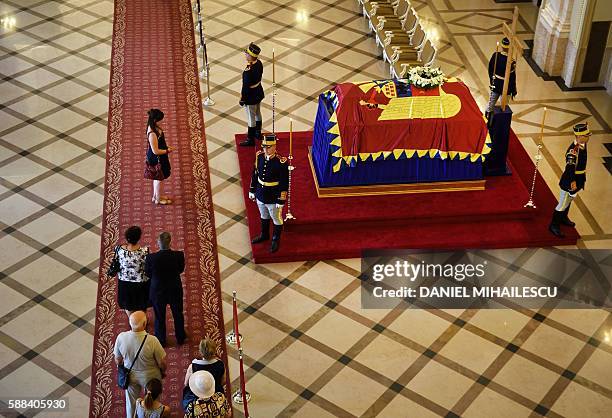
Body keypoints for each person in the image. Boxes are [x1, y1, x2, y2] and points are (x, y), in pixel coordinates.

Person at [114, 311, 167, 418]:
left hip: (130, 375)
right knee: (153, 399)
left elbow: (118, 360)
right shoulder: (152, 340)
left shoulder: (121, 337)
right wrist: (163, 370)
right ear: (144, 324)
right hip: (151, 376)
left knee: (131, 403)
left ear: (130, 323)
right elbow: (161, 362)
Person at [145, 231, 187, 346]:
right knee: (178, 314)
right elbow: (180, 269)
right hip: (174, 289)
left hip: (158, 291)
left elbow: (148, 273)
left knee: (159, 316)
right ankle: (180, 337)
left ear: (158, 243)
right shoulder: (179, 255)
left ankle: (161, 340)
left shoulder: (151, 258)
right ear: (170, 242)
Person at [248, 133, 289, 253]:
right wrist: (252, 189)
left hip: (273, 196)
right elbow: (255, 174)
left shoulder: (280, 162)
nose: (265, 149)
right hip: (261, 194)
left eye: (268, 147)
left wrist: (281, 199)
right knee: (263, 215)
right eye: (264, 147)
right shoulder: (259, 156)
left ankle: (276, 239)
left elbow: (284, 183)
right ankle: (264, 234)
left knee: (276, 218)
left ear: (274, 146)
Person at [549, 123, 590, 238]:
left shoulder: (582, 144)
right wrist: (572, 182)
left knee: (570, 200)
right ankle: (554, 225)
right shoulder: (573, 151)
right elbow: (569, 169)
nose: (588, 137)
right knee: (562, 204)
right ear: (579, 136)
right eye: (586, 135)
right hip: (570, 181)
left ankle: (563, 218)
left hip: (578, 179)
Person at [182, 338, 226, 411]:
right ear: (215, 351)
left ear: (200, 352)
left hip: (197, 396)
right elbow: (223, 381)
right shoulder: (220, 364)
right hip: (215, 393)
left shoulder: (193, 366)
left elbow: (186, 384)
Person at [117, 226, 150, 317]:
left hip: (124, 282)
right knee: (142, 304)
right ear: (139, 238)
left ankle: (132, 321)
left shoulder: (119, 249)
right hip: (141, 283)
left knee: (128, 305)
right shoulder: (144, 251)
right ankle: (141, 321)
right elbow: (147, 266)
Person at [485, 37, 517, 124]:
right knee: (503, 106)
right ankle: (500, 123)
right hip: (505, 86)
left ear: (502, 47)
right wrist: (513, 90)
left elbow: (490, 69)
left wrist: (492, 80)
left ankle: (487, 120)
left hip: (496, 83)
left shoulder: (495, 55)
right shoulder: (511, 61)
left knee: (491, 103)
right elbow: (512, 77)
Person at [238, 42, 265, 147]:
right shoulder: (259, 63)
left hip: (251, 96)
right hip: (258, 92)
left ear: (251, 56)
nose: (245, 55)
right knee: (258, 112)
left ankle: (250, 139)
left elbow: (246, 88)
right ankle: (258, 133)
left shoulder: (248, 71)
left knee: (251, 117)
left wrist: (242, 99)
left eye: (247, 54)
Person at [146, 109, 173, 205]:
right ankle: (158, 199)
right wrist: (167, 150)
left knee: (157, 178)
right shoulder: (152, 133)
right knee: (159, 179)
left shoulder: (154, 126)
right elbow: (155, 151)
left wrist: (166, 147)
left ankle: (156, 196)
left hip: (160, 156)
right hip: (157, 158)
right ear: (155, 120)